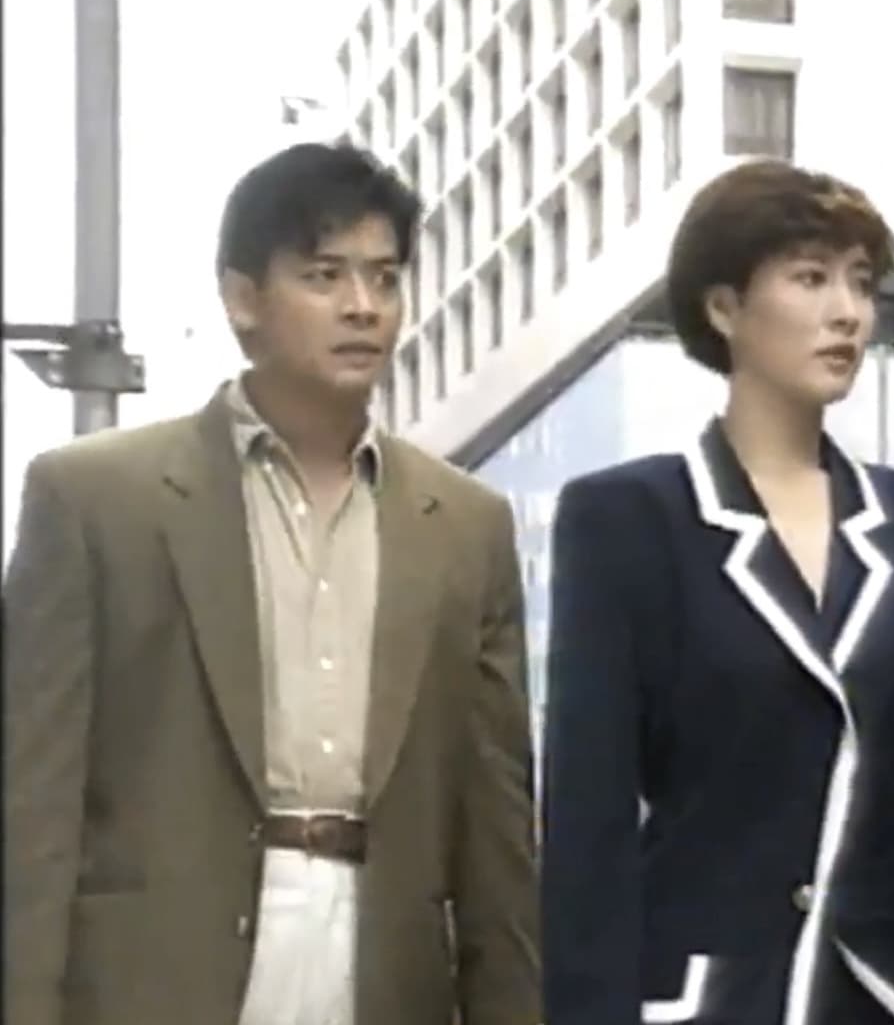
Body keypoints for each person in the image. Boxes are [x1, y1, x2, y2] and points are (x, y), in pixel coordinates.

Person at [3, 143, 540, 1024]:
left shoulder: (464, 525)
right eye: (324, 276)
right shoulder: (96, 498)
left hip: (386, 963)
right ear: (242, 298)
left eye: (385, 277)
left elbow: (496, 828)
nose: (363, 306)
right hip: (156, 971)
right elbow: (34, 802)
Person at [541, 159, 894, 1025]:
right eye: (810, 278)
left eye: (861, 282)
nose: (848, 312)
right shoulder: (624, 519)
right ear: (724, 307)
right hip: (708, 999)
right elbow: (588, 814)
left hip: (893, 1001)